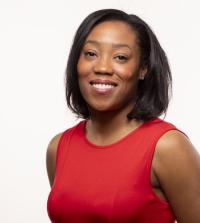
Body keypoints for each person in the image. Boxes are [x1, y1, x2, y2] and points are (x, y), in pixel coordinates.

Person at [46, 9, 200, 223]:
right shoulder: (59, 147)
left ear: (143, 69)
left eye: (120, 57)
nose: (102, 67)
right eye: (90, 53)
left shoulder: (168, 147)